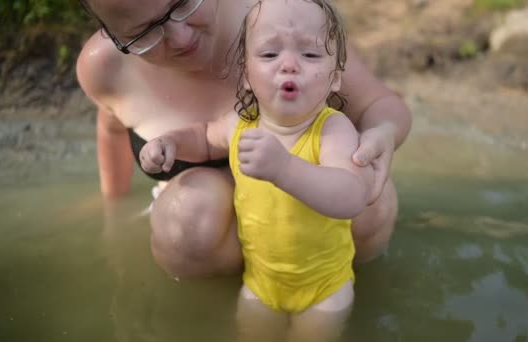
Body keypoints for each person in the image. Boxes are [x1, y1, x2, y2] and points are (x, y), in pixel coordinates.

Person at [76, 0, 412, 278]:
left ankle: (358, 287)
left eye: (182, 4)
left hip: (314, 215)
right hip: (210, 240)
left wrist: (382, 133)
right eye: (144, 33)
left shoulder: (276, 14)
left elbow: (378, 103)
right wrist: (112, 206)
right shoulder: (103, 67)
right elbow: (112, 125)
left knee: (369, 200)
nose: (179, 38)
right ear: (112, 35)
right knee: (188, 212)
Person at [139, 1, 371, 340]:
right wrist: (170, 142)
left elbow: (351, 196)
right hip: (259, 284)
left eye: (309, 55)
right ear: (246, 75)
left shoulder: (333, 130)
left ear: (335, 77)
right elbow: (203, 138)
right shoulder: (241, 124)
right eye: (269, 54)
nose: (289, 65)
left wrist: (285, 168)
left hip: (324, 290)